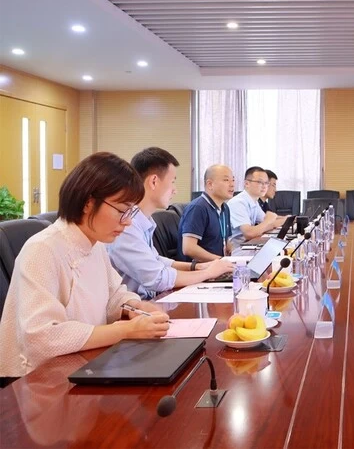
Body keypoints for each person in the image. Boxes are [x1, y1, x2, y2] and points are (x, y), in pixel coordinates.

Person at [0, 152, 169, 377]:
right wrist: (125, 331)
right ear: (89, 203)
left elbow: (114, 295)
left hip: (84, 364)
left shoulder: (95, 244)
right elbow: (40, 338)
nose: (128, 222)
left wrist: (135, 307)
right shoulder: (42, 249)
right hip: (37, 379)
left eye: (130, 212)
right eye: (122, 211)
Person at [108, 148, 233, 299]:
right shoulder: (127, 225)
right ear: (154, 181)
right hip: (137, 305)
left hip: (149, 300)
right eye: (172, 182)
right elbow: (158, 279)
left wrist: (197, 266)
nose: (175, 190)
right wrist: (208, 273)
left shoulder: (144, 221)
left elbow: (156, 260)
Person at [177, 164, 235, 262]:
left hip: (218, 265)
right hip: (199, 268)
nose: (232, 184)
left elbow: (225, 241)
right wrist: (221, 260)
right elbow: (188, 248)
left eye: (233, 180)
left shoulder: (225, 208)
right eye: (226, 180)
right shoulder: (198, 208)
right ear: (210, 184)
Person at [227, 166, 279, 247]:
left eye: (266, 183)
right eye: (260, 182)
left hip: (248, 245)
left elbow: (267, 223)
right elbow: (249, 233)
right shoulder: (238, 202)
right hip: (236, 249)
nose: (264, 186)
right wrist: (268, 221)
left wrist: (269, 222)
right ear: (247, 183)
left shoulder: (253, 201)